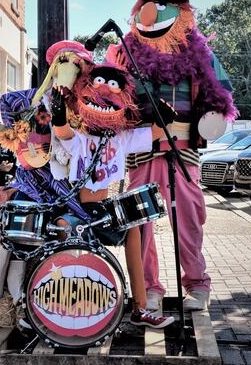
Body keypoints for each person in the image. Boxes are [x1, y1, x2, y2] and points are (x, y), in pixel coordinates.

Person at [107, 0, 237, 312]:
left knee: (190, 221)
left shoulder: (199, 53)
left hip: (184, 150)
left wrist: (211, 120)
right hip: (141, 149)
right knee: (142, 223)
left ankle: (197, 285)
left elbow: (220, 93)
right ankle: (149, 287)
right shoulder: (123, 54)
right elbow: (107, 94)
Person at [50, 59, 177, 329]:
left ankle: (140, 308)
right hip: (78, 209)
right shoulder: (81, 138)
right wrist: (58, 112)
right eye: (98, 83)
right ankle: (59, 305)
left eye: (112, 86)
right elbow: (63, 133)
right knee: (62, 229)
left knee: (134, 229)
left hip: (104, 209)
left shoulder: (120, 139)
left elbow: (151, 135)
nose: (105, 91)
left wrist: (164, 117)